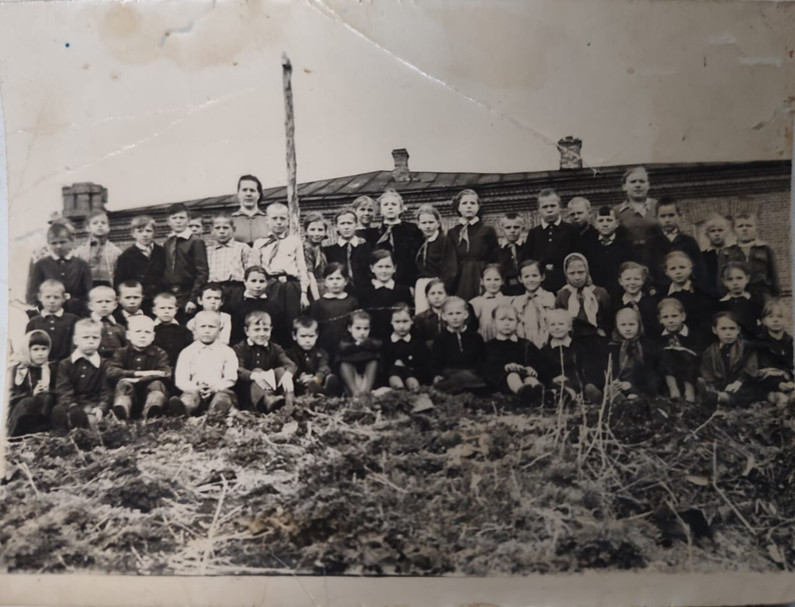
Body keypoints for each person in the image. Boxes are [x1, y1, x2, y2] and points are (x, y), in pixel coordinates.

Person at [554, 253, 611, 384]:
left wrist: (602, 331)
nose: (577, 277)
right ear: (566, 274)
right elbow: (559, 317)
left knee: (597, 370)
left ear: (587, 271)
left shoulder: (599, 293)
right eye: (572, 273)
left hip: (596, 338)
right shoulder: (563, 295)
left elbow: (608, 317)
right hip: (573, 339)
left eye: (581, 272)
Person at [170, 311, 238, 417]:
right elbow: (181, 380)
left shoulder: (227, 351)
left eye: (211, 327)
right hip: (195, 390)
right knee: (188, 398)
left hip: (218, 390)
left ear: (219, 330)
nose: (207, 331)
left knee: (223, 397)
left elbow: (231, 377)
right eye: (202, 326)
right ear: (195, 329)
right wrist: (196, 388)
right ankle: (184, 409)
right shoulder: (187, 352)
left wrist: (214, 388)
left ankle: (214, 413)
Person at [251, 202, 310, 324]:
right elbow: (255, 270)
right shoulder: (259, 243)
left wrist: (304, 293)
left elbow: (301, 268)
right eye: (274, 218)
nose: (279, 222)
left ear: (288, 220)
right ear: (267, 220)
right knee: (272, 321)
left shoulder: (294, 241)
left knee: (293, 321)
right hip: (270, 286)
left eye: (282, 218)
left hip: (291, 287)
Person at [106, 315, 171, 420]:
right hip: (128, 395)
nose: (142, 336)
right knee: (123, 384)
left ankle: (151, 415)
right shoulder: (121, 352)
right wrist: (136, 374)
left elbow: (165, 373)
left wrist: (139, 380)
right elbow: (111, 372)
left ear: (153, 336)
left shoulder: (160, 353)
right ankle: (121, 413)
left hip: (149, 395)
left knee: (157, 384)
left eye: (147, 332)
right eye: (138, 332)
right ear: (128, 335)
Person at [52, 319, 111, 432]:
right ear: (76, 340)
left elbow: (106, 391)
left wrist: (101, 408)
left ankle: (84, 432)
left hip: (93, 405)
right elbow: (63, 390)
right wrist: (72, 406)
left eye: (95, 338)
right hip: (72, 405)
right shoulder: (66, 364)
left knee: (92, 423)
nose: (91, 341)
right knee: (58, 411)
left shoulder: (104, 364)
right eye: (86, 337)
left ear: (100, 340)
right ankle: (64, 435)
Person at [482, 304, 546, 405]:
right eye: (502, 320)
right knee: (513, 375)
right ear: (494, 322)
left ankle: (538, 394)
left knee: (531, 379)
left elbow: (537, 361)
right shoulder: (489, 346)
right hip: (502, 380)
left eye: (511, 320)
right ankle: (523, 393)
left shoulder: (526, 344)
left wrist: (531, 368)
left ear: (517, 322)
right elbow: (488, 367)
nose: (506, 323)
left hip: (525, 377)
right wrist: (505, 367)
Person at [233, 311, 296, 412]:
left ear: (271, 329)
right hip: (249, 391)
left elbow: (290, 365)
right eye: (257, 330)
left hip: (271, 387)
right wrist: (254, 375)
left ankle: (289, 401)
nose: (262, 334)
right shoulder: (239, 348)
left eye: (266, 329)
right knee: (257, 372)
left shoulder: (275, 348)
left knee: (281, 371)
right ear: (247, 331)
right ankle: (268, 401)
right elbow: (238, 370)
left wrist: (288, 375)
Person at [27, 222, 92, 316]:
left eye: (62, 242)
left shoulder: (82, 265)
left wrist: (75, 303)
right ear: (48, 243)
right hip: (49, 315)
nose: (58, 246)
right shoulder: (41, 265)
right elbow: (32, 295)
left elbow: (88, 295)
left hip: (76, 315)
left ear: (71, 241)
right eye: (54, 243)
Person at [538, 309, 601, 404]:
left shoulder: (578, 348)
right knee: (549, 389)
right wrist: (553, 379)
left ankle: (566, 396)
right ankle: (554, 397)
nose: (557, 327)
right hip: (554, 383)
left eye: (561, 324)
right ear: (547, 328)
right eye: (552, 324)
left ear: (569, 327)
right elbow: (543, 372)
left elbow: (585, 370)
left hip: (574, 383)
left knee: (574, 389)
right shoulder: (545, 350)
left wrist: (571, 379)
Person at [698, 312, 758, 408]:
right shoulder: (710, 352)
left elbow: (751, 366)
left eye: (732, 328)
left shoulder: (746, 347)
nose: (728, 333)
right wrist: (711, 386)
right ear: (714, 330)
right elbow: (707, 371)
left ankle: (723, 398)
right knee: (710, 391)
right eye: (723, 329)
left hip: (740, 384)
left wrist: (739, 381)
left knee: (748, 391)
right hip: (721, 385)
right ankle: (714, 396)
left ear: (738, 330)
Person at [522, 189, 577, 293]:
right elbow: (528, 259)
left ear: (560, 207)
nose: (549, 210)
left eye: (553, 206)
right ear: (538, 210)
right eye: (545, 207)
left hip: (566, 282)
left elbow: (576, 256)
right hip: (541, 285)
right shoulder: (534, 233)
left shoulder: (571, 230)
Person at [647, 198, 707, 294]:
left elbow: (699, 267)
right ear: (657, 218)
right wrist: (651, 288)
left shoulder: (689, 241)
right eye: (663, 216)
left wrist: (695, 285)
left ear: (679, 216)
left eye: (671, 215)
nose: (667, 220)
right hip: (661, 291)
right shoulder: (652, 243)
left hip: (687, 290)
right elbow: (648, 268)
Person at [448, 188, 498, 301]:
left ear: (478, 207)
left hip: (481, 275)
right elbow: (450, 260)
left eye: (472, 203)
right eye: (464, 203)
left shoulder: (487, 230)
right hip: (461, 278)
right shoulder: (452, 233)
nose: (469, 206)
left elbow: (494, 257)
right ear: (458, 207)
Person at [430, 296, 487, 394]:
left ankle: (465, 387)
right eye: (450, 314)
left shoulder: (475, 337)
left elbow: (481, 359)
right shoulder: (441, 338)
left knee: (471, 377)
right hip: (450, 372)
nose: (455, 317)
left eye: (458, 313)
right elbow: (435, 360)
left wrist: (480, 372)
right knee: (451, 380)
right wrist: (436, 375)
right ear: (444, 316)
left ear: (466, 314)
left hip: (471, 371)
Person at [162, 203, 209, 318]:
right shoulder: (168, 242)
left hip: (188, 294)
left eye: (181, 218)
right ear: (168, 222)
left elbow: (202, 272)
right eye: (174, 218)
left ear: (188, 220)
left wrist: (193, 299)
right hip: (171, 295)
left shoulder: (195, 242)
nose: (178, 221)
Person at [580, 206, 635, 301]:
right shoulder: (588, 244)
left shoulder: (625, 245)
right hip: (595, 294)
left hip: (620, 292)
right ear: (595, 224)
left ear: (616, 223)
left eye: (609, 220)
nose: (605, 224)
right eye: (601, 221)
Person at [7, 330, 56, 436]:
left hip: (43, 410)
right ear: (27, 350)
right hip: (22, 411)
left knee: (47, 398)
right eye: (35, 349)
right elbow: (11, 395)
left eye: (44, 349)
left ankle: (41, 431)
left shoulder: (50, 368)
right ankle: (20, 434)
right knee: (29, 402)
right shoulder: (19, 369)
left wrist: (48, 390)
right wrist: (32, 393)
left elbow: (57, 389)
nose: (40, 353)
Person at [113, 215, 166, 314]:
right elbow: (119, 283)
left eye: (148, 231)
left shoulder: (162, 252)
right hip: (137, 304)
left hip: (160, 303)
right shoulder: (126, 257)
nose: (145, 235)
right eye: (140, 231)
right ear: (133, 234)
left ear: (155, 232)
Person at [373, 189, 424, 289]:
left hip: (409, 280)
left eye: (394, 204)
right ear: (380, 211)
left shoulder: (413, 230)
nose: (390, 207)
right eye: (386, 205)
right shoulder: (374, 233)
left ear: (401, 209)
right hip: (382, 283)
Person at [663, 250, 715, 348]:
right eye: (673, 268)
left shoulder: (702, 294)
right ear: (666, 272)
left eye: (682, 267)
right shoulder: (662, 295)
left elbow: (706, 326)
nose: (678, 272)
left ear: (690, 268)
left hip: (696, 343)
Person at [309, 263, 359, 365]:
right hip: (325, 347)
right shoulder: (318, 304)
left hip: (347, 346)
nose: (335, 282)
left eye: (338, 278)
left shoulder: (352, 302)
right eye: (331, 279)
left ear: (346, 281)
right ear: (325, 282)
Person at [605, 307, 659, 400]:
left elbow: (648, 371)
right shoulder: (613, 346)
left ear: (639, 324)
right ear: (617, 326)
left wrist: (630, 384)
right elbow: (611, 368)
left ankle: (636, 397)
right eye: (623, 325)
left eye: (632, 324)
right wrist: (616, 381)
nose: (628, 329)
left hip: (641, 384)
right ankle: (621, 399)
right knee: (610, 388)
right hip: (621, 384)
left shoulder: (646, 345)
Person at [360, 249, 413, 342]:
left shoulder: (403, 291)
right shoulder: (365, 292)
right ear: (372, 268)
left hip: (397, 339)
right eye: (380, 267)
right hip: (373, 340)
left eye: (387, 266)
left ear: (394, 268)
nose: (384, 271)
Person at [723, 212, 780, 298]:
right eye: (740, 226)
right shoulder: (727, 251)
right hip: (737, 295)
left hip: (762, 293)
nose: (745, 229)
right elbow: (722, 277)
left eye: (749, 225)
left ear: (756, 228)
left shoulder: (765, 249)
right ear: (734, 230)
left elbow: (774, 275)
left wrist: (776, 296)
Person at [414, 203, 457, 313]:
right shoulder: (418, 241)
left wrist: (443, 286)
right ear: (418, 225)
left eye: (431, 222)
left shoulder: (443, 240)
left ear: (438, 223)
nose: (428, 226)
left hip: (438, 283)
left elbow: (450, 267)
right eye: (424, 223)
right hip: (421, 285)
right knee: (422, 314)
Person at [230, 266, 287, 346]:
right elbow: (236, 337)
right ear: (245, 282)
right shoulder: (238, 307)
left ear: (267, 282)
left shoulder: (274, 307)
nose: (258, 285)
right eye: (253, 281)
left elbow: (280, 336)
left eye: (261, 281)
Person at [207, 212, 252, 312]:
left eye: (225, 228)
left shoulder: (242, 248)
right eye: (217, 228)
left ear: (233, 229)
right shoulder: (208, 250)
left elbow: (250, 272)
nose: (222, 231)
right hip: (214, 290)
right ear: (211, 230)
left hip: (236, 289)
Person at [285, 317, 342, 397]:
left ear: (317, 336)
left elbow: (323, 367)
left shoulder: (321, 353)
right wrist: (300, 378)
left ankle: (323, 391)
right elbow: (290, 367)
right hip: (299, 384)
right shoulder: (289, 354)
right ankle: (318, 394)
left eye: (311, 336)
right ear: (294, 336)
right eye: (303, 336)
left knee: (327, 377)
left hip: (317, 381)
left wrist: (316, 379)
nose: (307, 340)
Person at [25, 279, 78, 362]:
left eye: (56, 297)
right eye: (48, 297)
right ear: (40, 297)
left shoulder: (72, 320)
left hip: (66, 365)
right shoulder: (33, 322)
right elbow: (27, 347)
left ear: (64, 298)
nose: (52, 301)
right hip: (41, 364)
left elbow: (76, 345)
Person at [323, 207, 372, 297]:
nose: (346, 227)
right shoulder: (329, 250)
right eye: (342, 223)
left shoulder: (367, 247)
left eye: (349, 223)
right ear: (336, 226)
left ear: (356, 225)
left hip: (366, 293)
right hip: (340, 294)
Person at [754, 299, 795, 407]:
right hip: (768, 385)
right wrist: (778, 384)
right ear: (763, 321)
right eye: (770, 317)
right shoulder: (760, 343)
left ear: (786, 319)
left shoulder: (790, 342)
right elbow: (762, 370)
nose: (775, 320)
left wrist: (790, 381)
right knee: (781, 399)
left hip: (789, 382)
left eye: (780, 316)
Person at [657, 298, 699, 402]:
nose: (670, 320)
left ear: (683, 316)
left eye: (674, 316)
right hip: (668, 376)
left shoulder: (692, 336)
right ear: (660, 319)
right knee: (665, 354)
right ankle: (673, 390)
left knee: (689, 356)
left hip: (689, 374)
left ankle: (689, 391)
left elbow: (696, 359)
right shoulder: (659, 337)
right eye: (665, 317)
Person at [615, 166, 657, 266]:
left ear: (648, 185)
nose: (637, 185)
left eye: (642, 181)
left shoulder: (658, 207)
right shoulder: (616, 212)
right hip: (627, 263)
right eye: (633, 182)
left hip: (656, 261)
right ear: (624, 186)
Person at [382, 303, 429, 391]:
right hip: (392, 376)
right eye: (397, 322)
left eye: (405, 321)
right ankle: (399, 391)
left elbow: (423, 363)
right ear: (391, 322)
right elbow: (384, 364)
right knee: (394, 379)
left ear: (412, 321)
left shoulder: (417, 341)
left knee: (412, 382)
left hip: (412, 374)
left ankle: (415, 392)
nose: (401, 326)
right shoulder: (387, 342)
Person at [510, 260, 555, 348]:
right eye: (526, 276)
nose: (531, 280)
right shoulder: (517, 301)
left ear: (542, 276)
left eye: (534, 275)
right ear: (520, 279)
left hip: (547, 344)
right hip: (524, 345)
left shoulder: (549, 297)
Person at [337, 309, 382, 397]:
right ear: (349, 328)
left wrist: (364, 344)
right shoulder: (346, 342)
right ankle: (355, 392)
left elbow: (378, 344)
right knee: (344, 363)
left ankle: (366, 391)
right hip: (352, 379)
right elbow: (342, 347)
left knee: (373, 361)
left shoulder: (371, 342)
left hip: (367, 379)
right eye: (358, 328)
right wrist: (358, 345)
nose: (362, 332)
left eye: (366, 328)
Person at [74, 210, 121, 287]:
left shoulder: (116, 251)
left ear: (108, 228)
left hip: (109, 287)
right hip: (87, 288)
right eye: (95, 223)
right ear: (88, 228)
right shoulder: (79, 251)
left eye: (103, 223)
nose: (100, 225)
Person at [716, 261, 764, 339]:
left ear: (747, 278)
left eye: (739, 278)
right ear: (724, 281)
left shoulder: (756, 301)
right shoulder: (721, 304)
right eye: (730, 279)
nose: (735, 283)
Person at [612, 262, 660, 338]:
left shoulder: (651, 302)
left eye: (637, 279)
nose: (632, 282)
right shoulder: (616, 304)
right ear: (620, 281)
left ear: (643, 280)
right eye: (628, 279)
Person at [152, 292, 195, 371]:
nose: (166, 311)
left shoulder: (184, 331)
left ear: (176, 310)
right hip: (157, 369)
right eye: (162, 308)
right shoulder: (150, 330)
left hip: (180, 367)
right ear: (154, 310)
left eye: (170, 308)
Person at [469, 264, 510, 342]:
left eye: (496, 279)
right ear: (482, 281)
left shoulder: (509, 301)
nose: (493, 283)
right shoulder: (475, 302)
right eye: (488, 279)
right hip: (483, 341)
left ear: (502, 281)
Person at [87, 285, 126, 359]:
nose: (104, 305)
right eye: (99, 302)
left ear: (115, 305)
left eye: (108, 301)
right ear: (91, 306)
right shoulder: (85, 326)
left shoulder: (120, 328)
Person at [231, 174, 269, 246]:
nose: (248, 194)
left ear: (259, 194)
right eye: (244, 190)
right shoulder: (230, 221)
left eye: (252, 190)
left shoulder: (268, 220)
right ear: (238, 194)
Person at [495, 213, 526, 297]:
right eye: (508, 227)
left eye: (516, 227)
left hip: (525, 291)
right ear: (501, 229)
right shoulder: (496, 251)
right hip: (503, 293)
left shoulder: (528, 249)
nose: (512, 230)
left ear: (522, 228)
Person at [702, 214, 730, 298]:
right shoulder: (702, 257)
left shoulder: (733, 253)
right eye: (712, 231)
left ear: (726, 232)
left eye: (720, 230)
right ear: (707, 234)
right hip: (709, 297)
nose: (717, 234)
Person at [302, 212, 328, 301]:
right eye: (312, 230)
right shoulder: (306, 248)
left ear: (325, 232)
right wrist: (317, 300)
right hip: (313, 288)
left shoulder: (319, 247)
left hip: (323, 285)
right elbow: (310, 275)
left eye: (320, 230)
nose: (316, 233)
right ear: (306, 231)